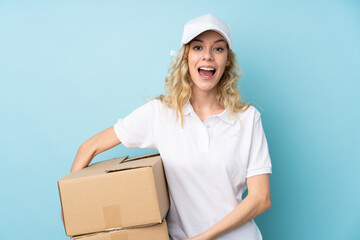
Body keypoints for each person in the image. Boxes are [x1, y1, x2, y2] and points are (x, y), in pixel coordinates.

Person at [70, 14, 272, 240]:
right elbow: (89, 147)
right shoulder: (161, 114)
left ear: (227, 60)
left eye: (218, 49)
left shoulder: (247, 119)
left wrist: (201, 238)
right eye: (198, 47)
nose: (207, 56)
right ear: (186, 57)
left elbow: (260, 198)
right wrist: (73, 210)